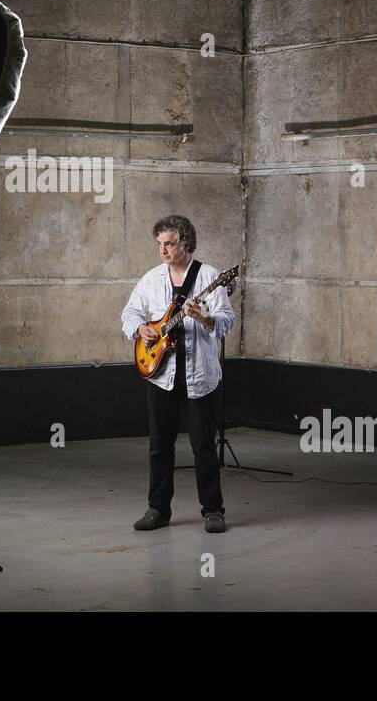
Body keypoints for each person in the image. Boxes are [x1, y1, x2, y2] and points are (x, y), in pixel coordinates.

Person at [120, 214, 234, 533]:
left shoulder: (210, 276)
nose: (163, 250)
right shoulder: (152, 278)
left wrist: (204, 318)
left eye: (169, 243)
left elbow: (226, 321)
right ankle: (158, 509)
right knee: (159, 446)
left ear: (185, 243)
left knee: (203, 447)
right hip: (161, 375)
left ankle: (213, 510)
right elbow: (129, 312)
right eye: (159, 244)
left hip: (199, 376)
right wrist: (139, 328)